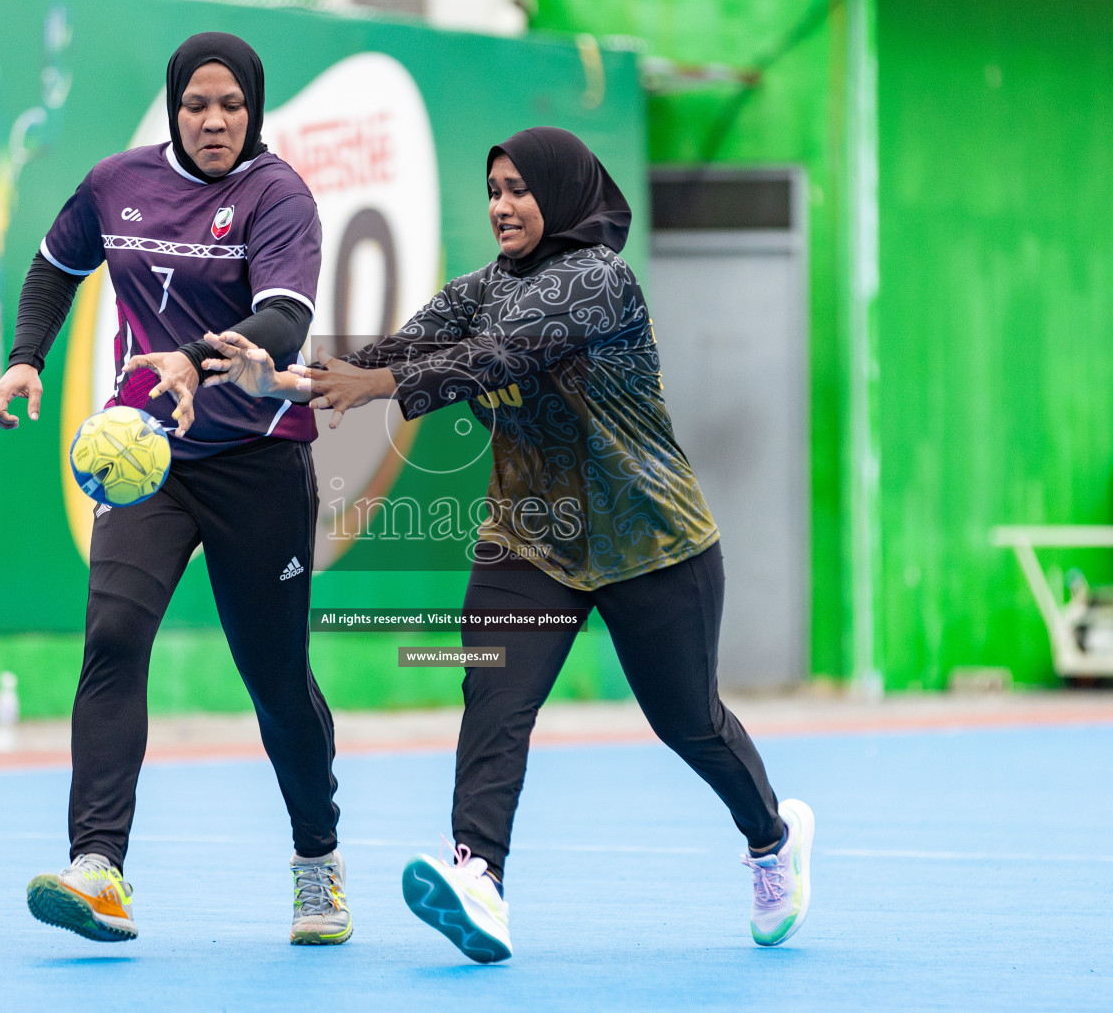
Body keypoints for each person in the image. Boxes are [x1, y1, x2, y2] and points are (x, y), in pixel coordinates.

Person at [201, 126, 815, 963]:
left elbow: (500, 356)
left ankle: (772, 840)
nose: (501, 205)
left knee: (688, 722)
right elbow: (398, 349)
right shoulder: (481, 287)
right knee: (495, 705)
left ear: (560, 194)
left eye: (519, 190)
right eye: (493, 190)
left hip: (650, 540)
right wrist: (284, 375)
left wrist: (383, 386)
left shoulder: (600, 280)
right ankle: (478, 878)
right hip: (528, 538)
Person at [0, 32, 351, 947]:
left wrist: (189, 359)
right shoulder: (117, 184)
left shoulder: (278, 197)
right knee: (111, 636)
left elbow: (285, 320)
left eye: (231, 105)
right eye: (197, 105)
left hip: (256, 463)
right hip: (145, 453)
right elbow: (53, 267)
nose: (215, 120)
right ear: (174, 107)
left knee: (274, 680)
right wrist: (26, 360)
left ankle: (317, 858)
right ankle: (98, 866)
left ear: (253, 110)